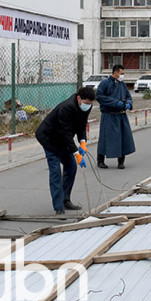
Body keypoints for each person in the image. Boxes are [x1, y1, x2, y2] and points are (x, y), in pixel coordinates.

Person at [35, 87, 94, 215]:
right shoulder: (66, 108)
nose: (88, 106)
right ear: (79, 98)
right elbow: (66, 133)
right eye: (86, 103)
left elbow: (81, 125)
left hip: (62, 139)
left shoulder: (86, 107)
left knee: (71, 166)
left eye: (90, 104)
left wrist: (83, 141)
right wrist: (76, 153)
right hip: (49, 138)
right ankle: (58, 207)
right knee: (55, 171)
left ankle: (65, 199)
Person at [96, 64, 135, 169]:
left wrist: (129, 103)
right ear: (115, 72)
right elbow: (99, 96)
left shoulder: (122, 85)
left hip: (121, 115)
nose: (123, 76)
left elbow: (128, 96)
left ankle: (121, 161)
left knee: (123, 138)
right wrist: (115, 103)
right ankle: (100, 160)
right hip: (108, 115)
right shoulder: (105, 83)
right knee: (105, 138)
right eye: (121, 73)